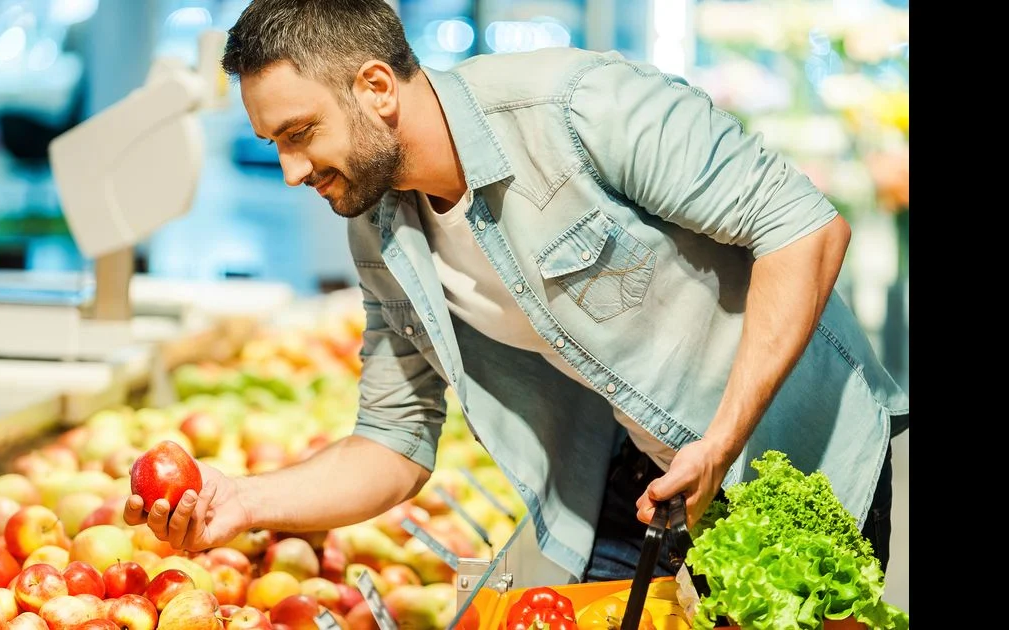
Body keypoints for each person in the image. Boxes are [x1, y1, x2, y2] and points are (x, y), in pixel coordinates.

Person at [125, 0, 909, 583]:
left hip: (815, 467)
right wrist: (246, 500)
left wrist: (720, 442)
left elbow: (804, 228)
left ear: (375, 87)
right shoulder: (379, 229)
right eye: (274, 145)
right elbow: (394, 442)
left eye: (299, 133)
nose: (292, 170)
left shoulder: (576, 107)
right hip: (648, 494)